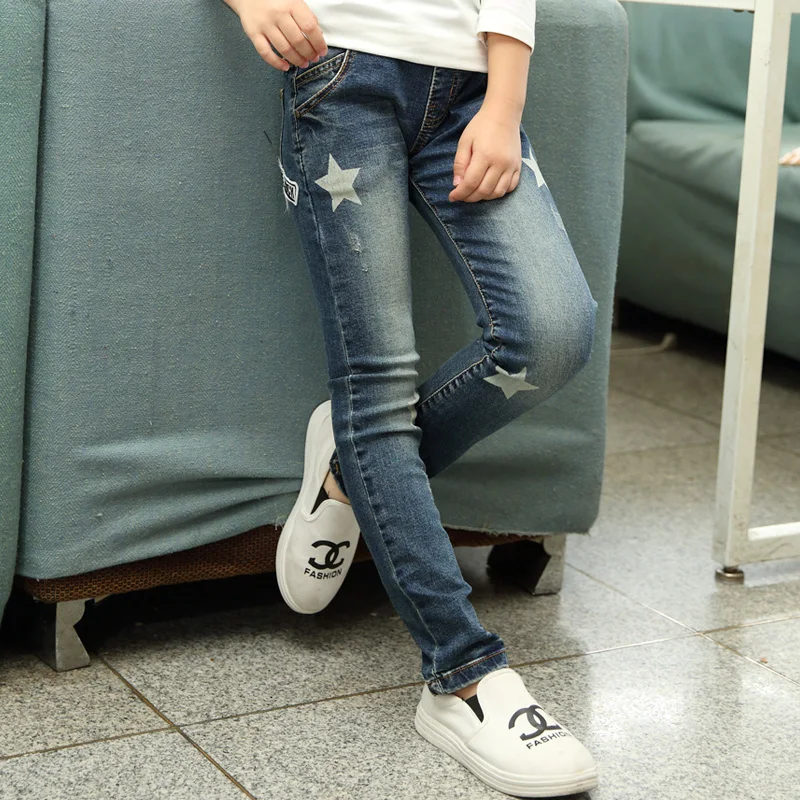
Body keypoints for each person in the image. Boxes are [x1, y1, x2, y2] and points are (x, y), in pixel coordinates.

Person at [222, 0, 599, 796]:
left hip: (471, 85)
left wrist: (504, 104)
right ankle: (462, 676)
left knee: (553, 334)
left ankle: (349, 473)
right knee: (377, 386)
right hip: (341, 75)